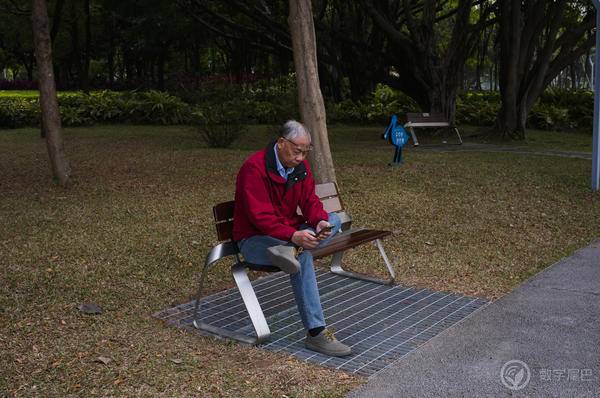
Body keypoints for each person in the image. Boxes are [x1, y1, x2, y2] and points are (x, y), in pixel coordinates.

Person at [232, 120, 352, 357]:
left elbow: (309, 201)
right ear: (281, 143)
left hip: (288, 233)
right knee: (304, 257)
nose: (301, 157)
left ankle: (291, 249)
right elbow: (261, 218)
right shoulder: (254, 169)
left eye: (305, 152)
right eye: (297, 151)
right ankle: (316, 334)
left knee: (333, 219)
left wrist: (318, 222)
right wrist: (294, 235)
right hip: (255, 240)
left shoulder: (301, 168)